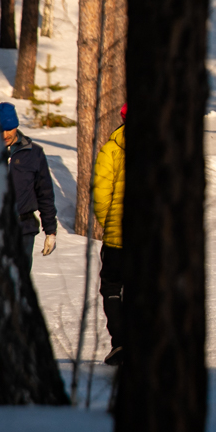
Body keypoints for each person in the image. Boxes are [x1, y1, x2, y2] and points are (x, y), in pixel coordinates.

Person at [0, 102, 57, 272]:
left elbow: (45, 193)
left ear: (16, 126)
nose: (5, 135)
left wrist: (50, 231)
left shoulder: (34, 153)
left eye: (9, 129)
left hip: (23, 230)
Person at [92, 105, 126, 365]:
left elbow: (101, 194)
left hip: (117, 235)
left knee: (112, 287)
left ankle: (120, 342)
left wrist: (109, 224)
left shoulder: (111, 148)